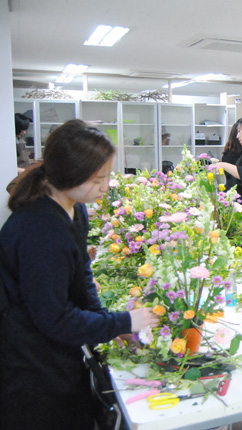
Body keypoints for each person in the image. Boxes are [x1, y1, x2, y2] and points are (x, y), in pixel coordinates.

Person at [0, 119, 159, 429]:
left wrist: (106, 323)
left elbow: (83, 277)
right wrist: (123, 322)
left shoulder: (73, 207)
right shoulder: (39, 230)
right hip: (30, 367)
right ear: (68, 174)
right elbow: (54, 319)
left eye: (107, 177)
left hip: (57, 353)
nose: (105, 187)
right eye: (98, 179)